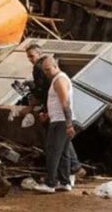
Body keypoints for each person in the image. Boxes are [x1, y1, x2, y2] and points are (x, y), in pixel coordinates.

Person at [32, 57, 77, 194]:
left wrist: (69, 124)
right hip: (58, 119)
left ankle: (50, 183)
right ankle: (65, 182)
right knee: (63, 153)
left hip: (61, 121)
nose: (46, 73)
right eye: (44, 70)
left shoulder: (59, 80)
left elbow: (65, 103)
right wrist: (48, 114)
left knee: (52, 151)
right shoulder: (57, 80)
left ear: (55, 66)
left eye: (48, 69)